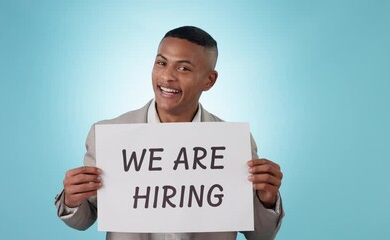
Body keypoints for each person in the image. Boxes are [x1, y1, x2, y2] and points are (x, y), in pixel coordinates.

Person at [55, 26, 284, 240]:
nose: (167, 77)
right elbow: (85, 219)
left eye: (183, 68)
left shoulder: (235, 143)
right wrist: (73, 200)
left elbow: (260, 235)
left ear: (209, 80)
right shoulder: (107, 134)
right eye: (161, 63)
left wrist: (266, 199)